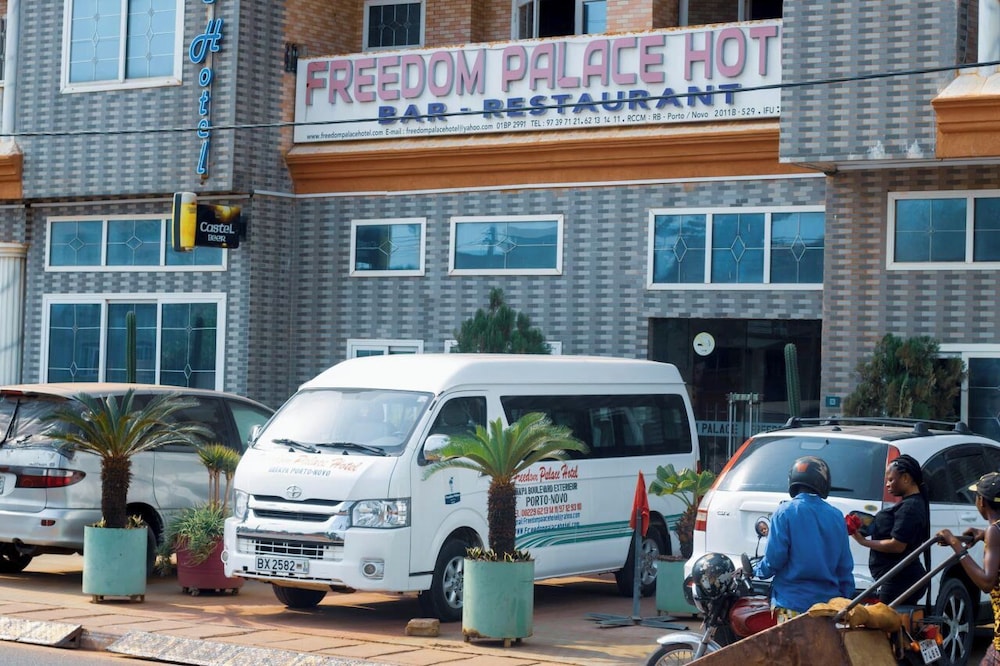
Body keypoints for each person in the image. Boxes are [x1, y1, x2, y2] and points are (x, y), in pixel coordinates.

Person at [754, 456, 855, 620]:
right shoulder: (836, 516)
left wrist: (758, 571)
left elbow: (775, 559)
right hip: (827, 609)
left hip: (791, 605)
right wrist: (844, 600)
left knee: (789, 647)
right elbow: (845, 567)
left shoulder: (784, 512)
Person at [850, 454, 930, 605]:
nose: (887, 484)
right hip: (897, 578)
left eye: (891, 479)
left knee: (883, 624)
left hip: (899, 579)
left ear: (906, 478)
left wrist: (863, 542)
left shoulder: (910, 507)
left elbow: (897, 545)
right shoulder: (910, 504)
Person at [938, 472, 1000, 666]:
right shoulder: (993, 532)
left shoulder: (995, 531)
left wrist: (955, 544)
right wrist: (982, 535)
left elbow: (987, 582)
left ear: (981, 501)